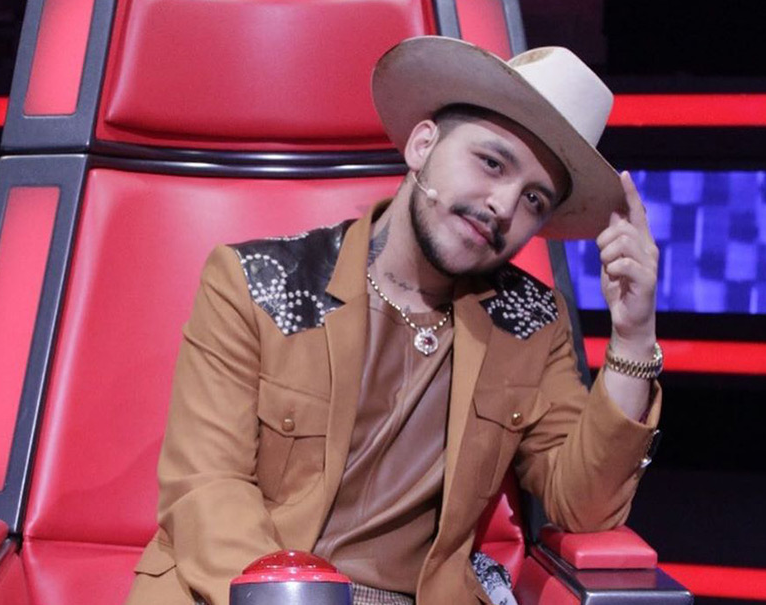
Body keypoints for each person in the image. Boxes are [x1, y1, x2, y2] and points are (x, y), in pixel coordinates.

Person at [125, 36, 663, 605]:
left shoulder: (529, 321)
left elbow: (584, 505)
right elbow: (207, 489)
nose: (503, 206)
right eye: (491, 163)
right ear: (422, 145)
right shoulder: (255, 281)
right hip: (245, 591)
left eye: (534, 199)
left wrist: (633, 336)